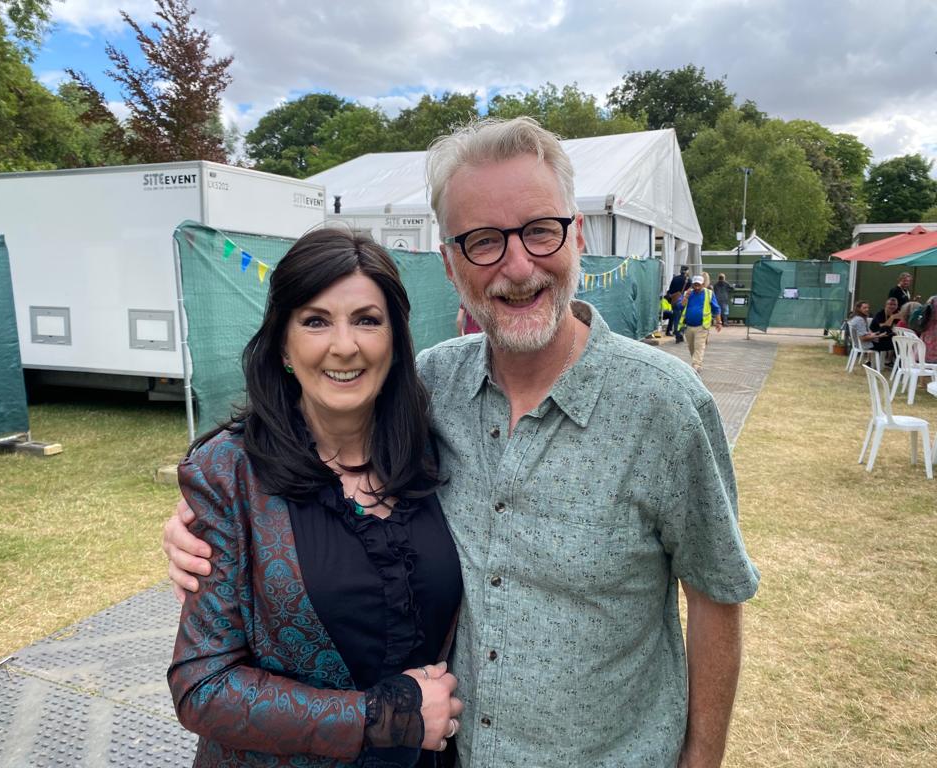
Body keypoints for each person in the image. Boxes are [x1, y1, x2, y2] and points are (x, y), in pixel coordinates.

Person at [166, 117, 759, 768]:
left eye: (540, 229)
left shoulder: (665, 406)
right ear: (451, 265)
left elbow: (715, 596)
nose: (518, 265)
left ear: (579, 235)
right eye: (482, 241)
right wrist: (204, 521)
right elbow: (297, 439)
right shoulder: (430, 390)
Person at [167, 228, 464, 768]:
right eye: (315, 320)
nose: (344, 345)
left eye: (367, 320)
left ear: (395, 340)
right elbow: (201, 685)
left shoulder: (437, 452)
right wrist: (383, 717)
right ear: (283, 341)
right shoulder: (229, 471)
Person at [678, 274, 723, 374]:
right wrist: (685, 297)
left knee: (699, 346)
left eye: (699, 285)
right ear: (692, 285)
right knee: (691, 347)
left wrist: (718, 322)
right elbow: (680, 307)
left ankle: (696, 366)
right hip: (688, 326)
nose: (697, 287)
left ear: (703, 284)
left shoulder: (709, 293)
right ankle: (697, 362)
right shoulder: (687, 293)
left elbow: (716, 308)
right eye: (695, 285)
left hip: (702, 326)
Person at [666, 265, 691, 342]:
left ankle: (677, 333)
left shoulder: (675, 278)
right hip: (684, 301)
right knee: (683, 318)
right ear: (687, 271)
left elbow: (670, 290)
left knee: (676, 318)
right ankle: (681, 332)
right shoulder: (689, 280)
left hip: (675, 300)